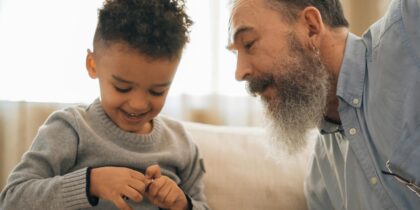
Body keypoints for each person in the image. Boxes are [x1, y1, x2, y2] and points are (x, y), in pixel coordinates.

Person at [0, 0, 209, 210]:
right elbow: (12, 199)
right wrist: (91, 183)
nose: (137, 105)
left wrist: (183, 204)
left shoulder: (181, 142)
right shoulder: (71, 128)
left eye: (157, 91)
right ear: (92, 65)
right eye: (122, 87)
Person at [228, 0, 420, 209]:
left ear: (310, 28)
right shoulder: (321, 183)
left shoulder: (410, 24)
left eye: (248, 43)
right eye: (236, 54)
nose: (239, 73)